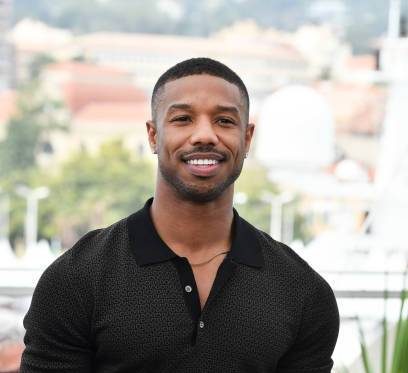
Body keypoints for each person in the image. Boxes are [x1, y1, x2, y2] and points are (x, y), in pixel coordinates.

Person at [20, 57, 339, 372]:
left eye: (225, 121)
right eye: (183, 119)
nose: (205, 135)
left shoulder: (302, 291)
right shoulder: (76, 279)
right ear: (153, 135)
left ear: (247, 138)